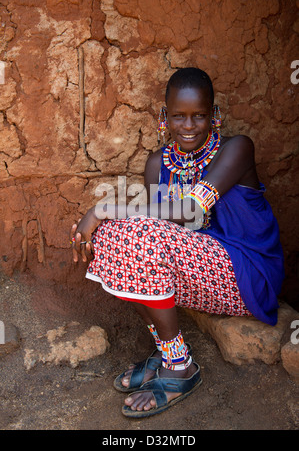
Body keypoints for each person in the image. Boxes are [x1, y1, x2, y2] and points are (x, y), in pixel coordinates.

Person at [70, 67, 284, 418]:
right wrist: (96, 227)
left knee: (134, 232)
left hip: (246, 273)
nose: (188, 126)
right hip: (198, 273)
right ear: (164, 116)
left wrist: (103, 207)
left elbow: (189, 211)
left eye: (199, 116)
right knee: (110, 238)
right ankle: (169, 350)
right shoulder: (158, 163)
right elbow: (157, 227)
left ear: (213, 115)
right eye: (179, 117)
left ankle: (180, 368)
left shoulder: (236, 149)